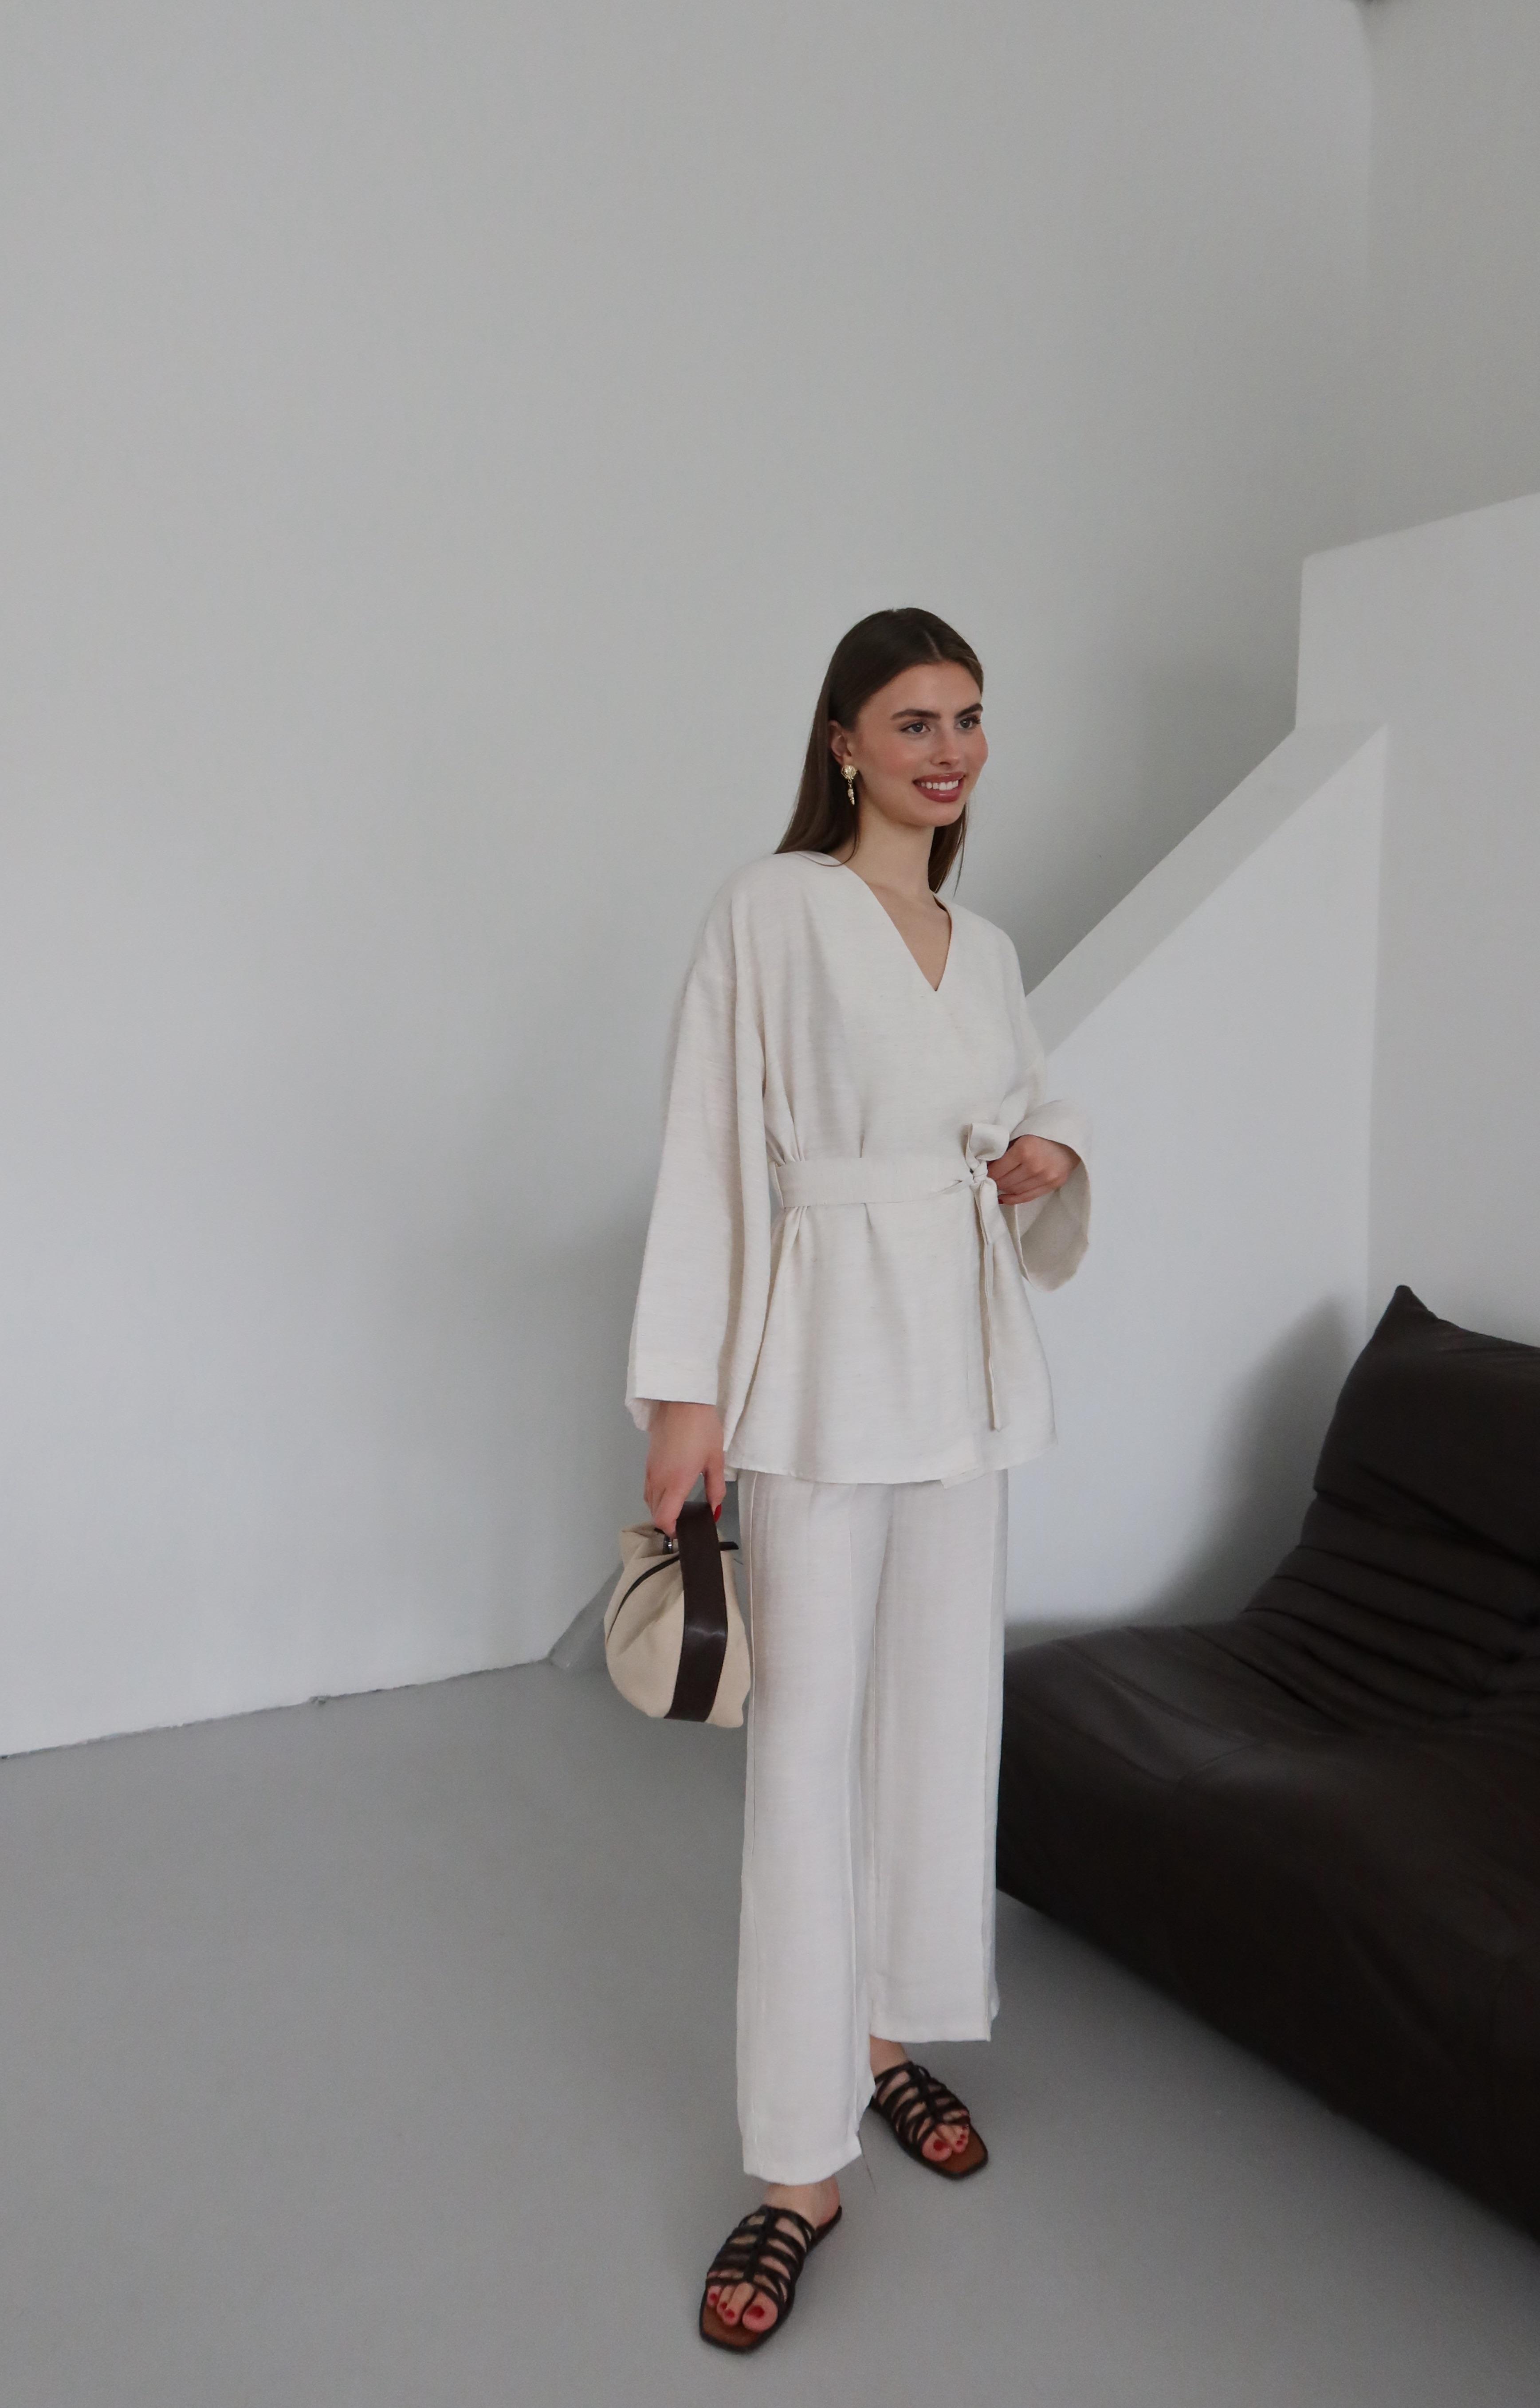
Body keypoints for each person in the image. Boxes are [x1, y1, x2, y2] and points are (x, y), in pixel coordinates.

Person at [626, 607, 1090, 2354]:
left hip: (961, 1376)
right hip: (820, 1373)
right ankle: (796, 2164)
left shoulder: (989, 946)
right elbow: (708, 1151)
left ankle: (886, 2034)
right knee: (807, 1756)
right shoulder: (771, 910)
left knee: (937, 1722)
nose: (949, 750)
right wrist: (687, 1400)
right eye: (913, 720)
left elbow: (1029, 1114)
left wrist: (1046, 1159)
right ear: (842, 740)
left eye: (969, 718)